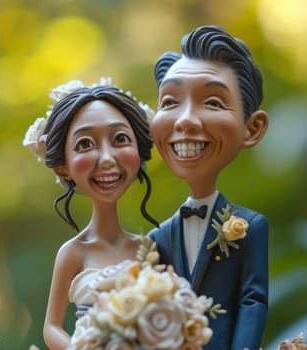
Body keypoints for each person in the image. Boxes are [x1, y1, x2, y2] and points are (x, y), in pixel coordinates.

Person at [147, 25, 270, 350]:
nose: (185, 120)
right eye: (170, 102)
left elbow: (252, 301)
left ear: (252, 128)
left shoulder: (250, 227)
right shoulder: (157, 238)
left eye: (213, 103)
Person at [23, 78, 159, 350]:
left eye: (120, 139)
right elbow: (51, 327)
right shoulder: (73, 253)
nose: (107, 158)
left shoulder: (151, 248)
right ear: (63, 166)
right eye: (85, 144)